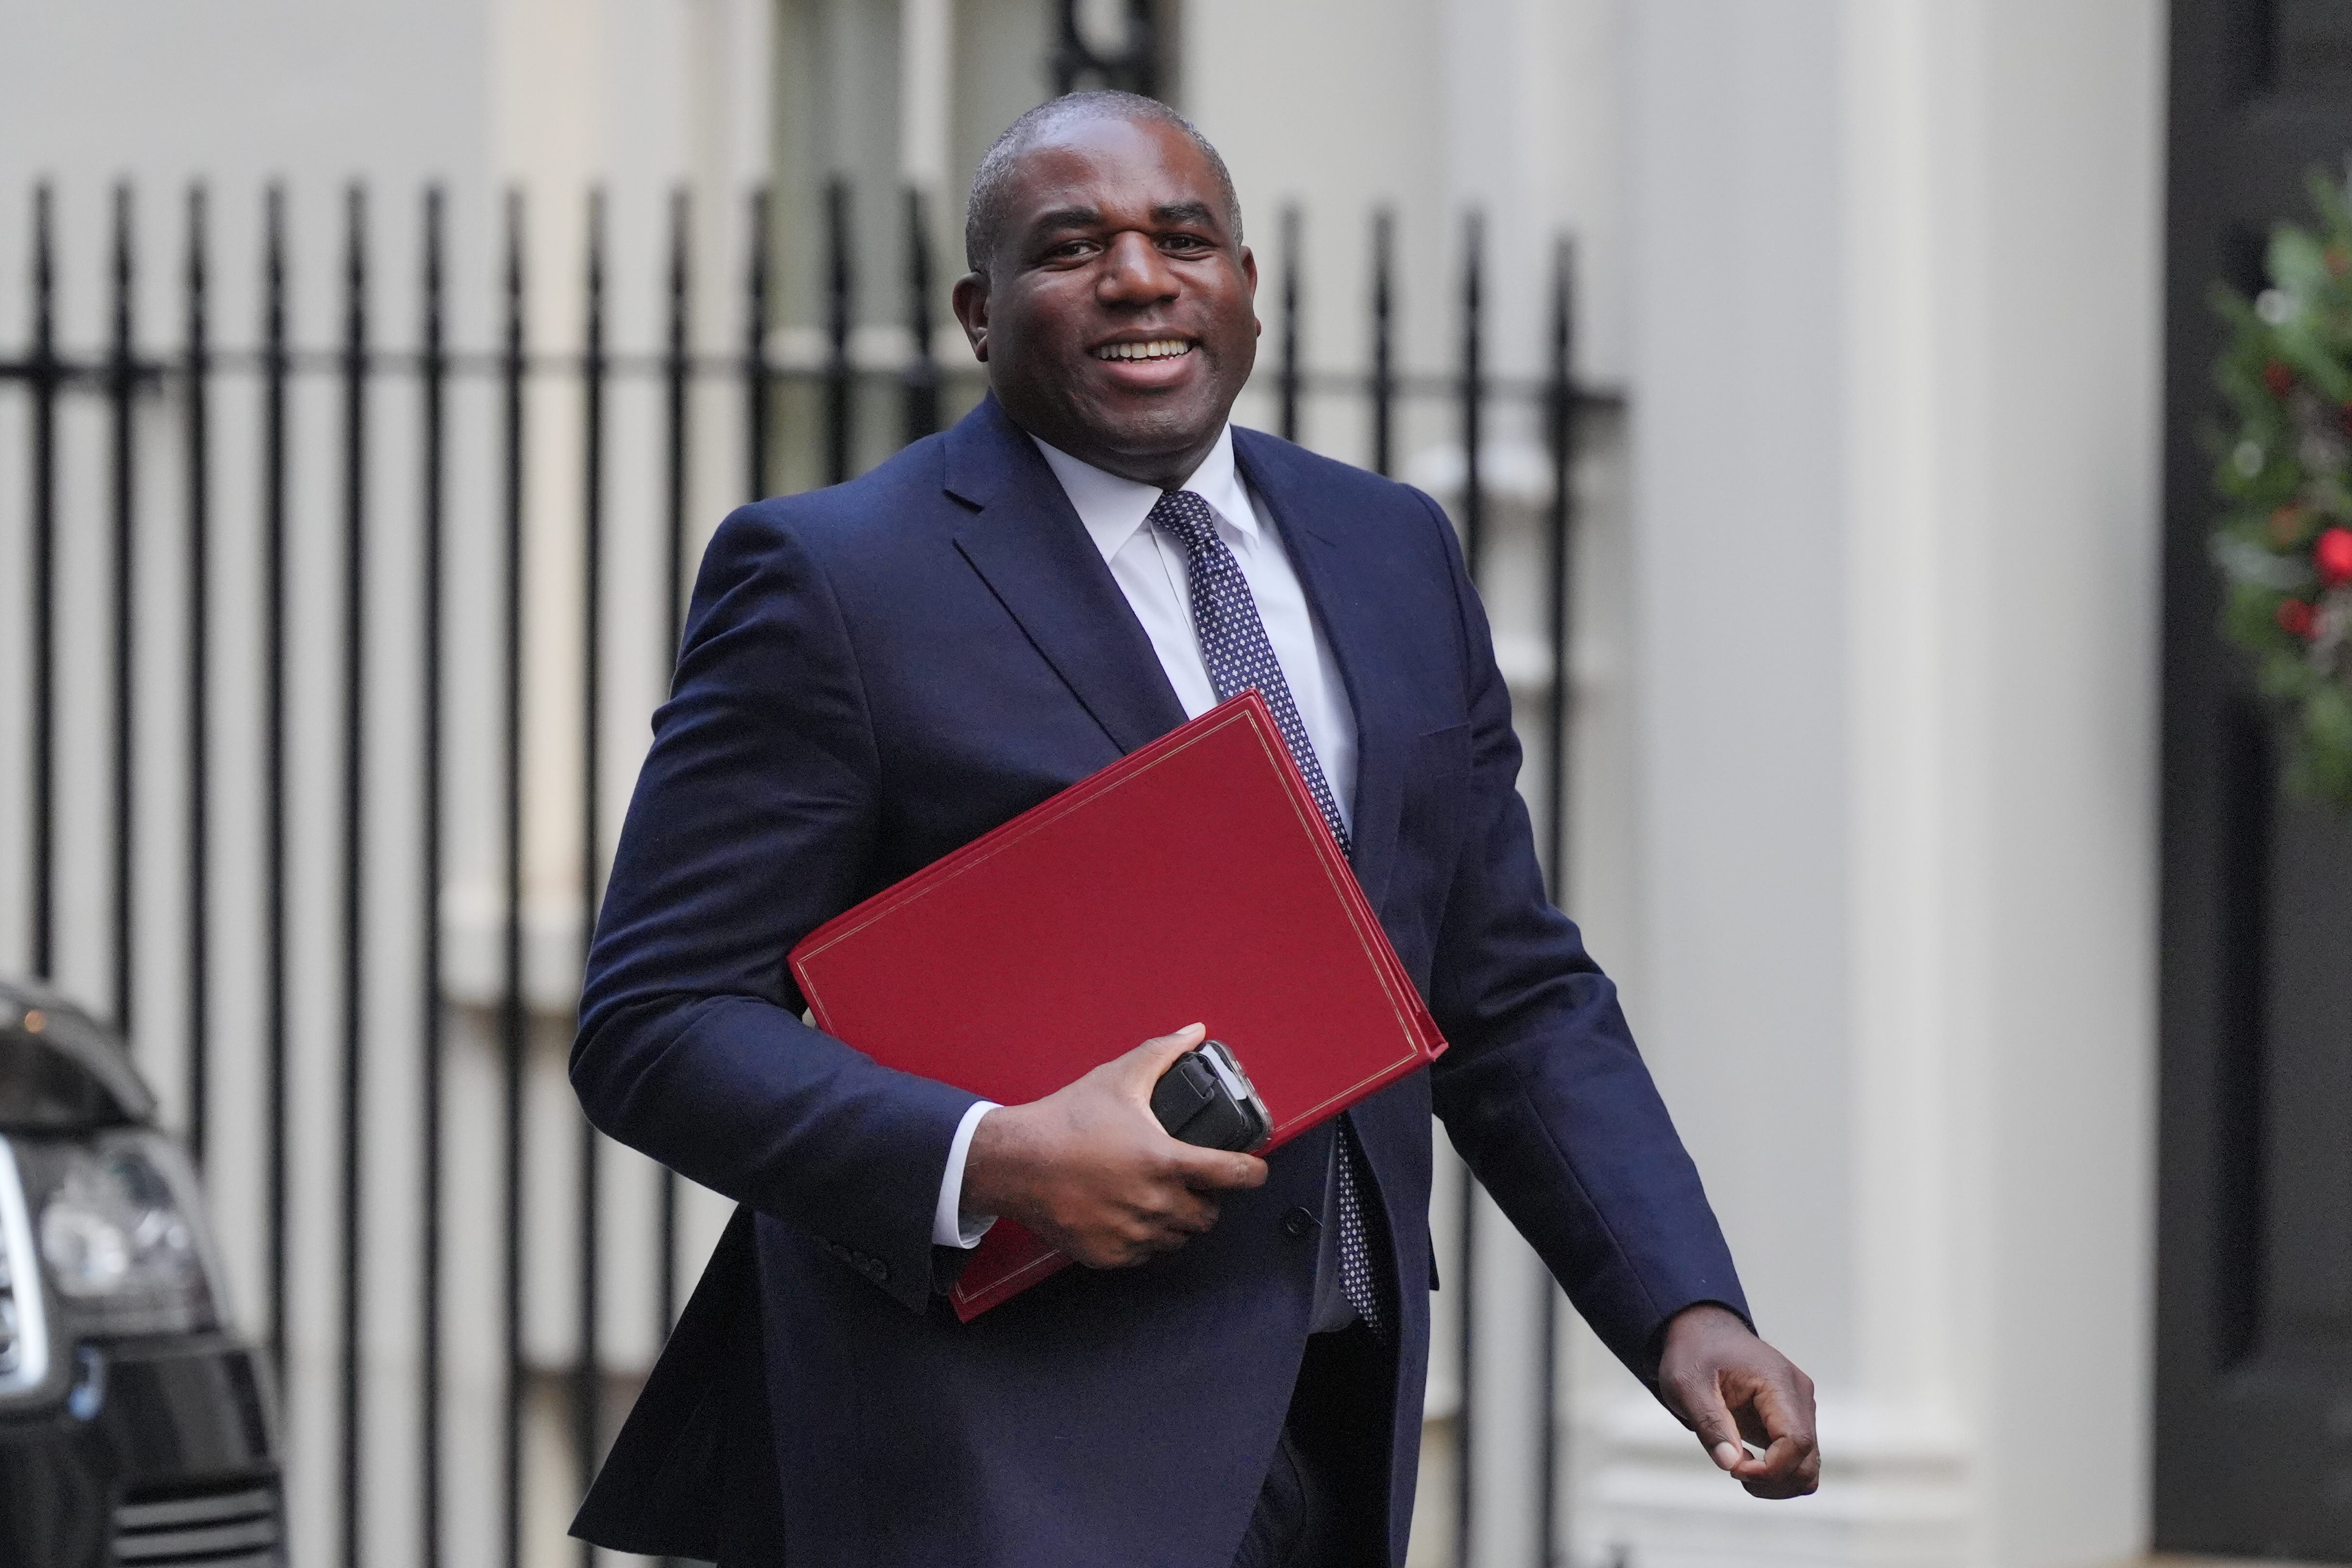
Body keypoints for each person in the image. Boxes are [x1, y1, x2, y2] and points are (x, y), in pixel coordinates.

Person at [570, 90, 1817, 1568]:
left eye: (1184, 238)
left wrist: (1682, 1306)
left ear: (1245, 288)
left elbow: (1504, 988)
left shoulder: (1392, 549)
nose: (1141, 277)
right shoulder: (835, 580)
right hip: (988, 1458)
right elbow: (654, 1022)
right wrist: (994, 1157)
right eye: (1072, 244)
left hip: (1333, 1425)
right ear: (979, 311)